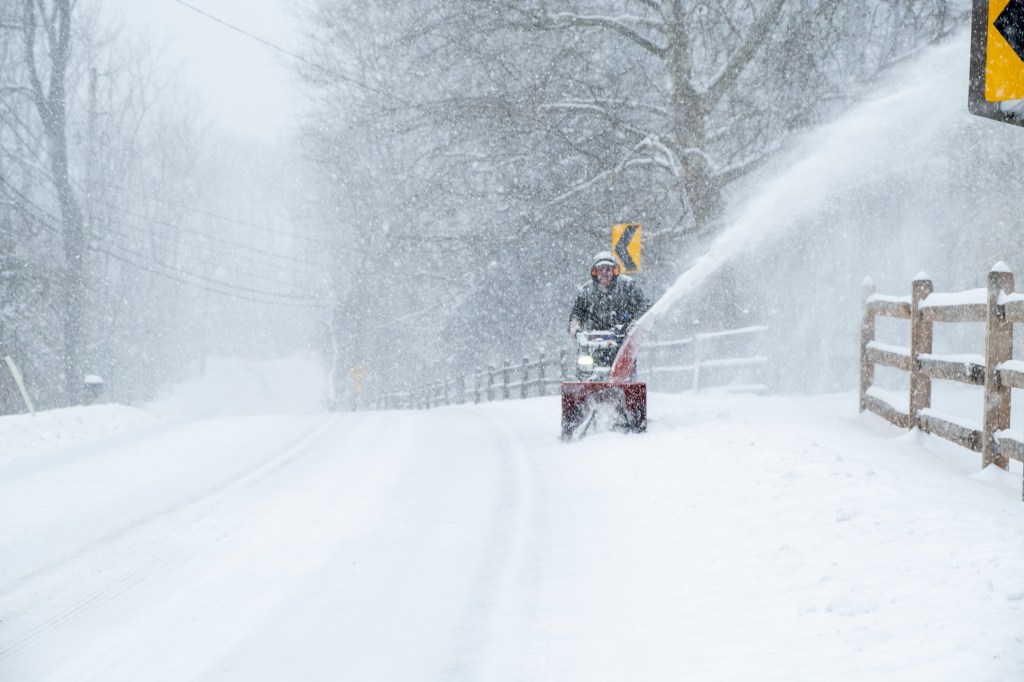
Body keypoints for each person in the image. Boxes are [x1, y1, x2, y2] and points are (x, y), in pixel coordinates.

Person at [568, 250, 650, 339]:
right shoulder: (587, 291)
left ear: (615, 271)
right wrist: (575, 325)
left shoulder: (628, 285)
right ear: (595, 272)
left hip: (624, 337)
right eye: (600, 269)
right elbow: (577, 311)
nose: (604, 273)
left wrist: (635, 322)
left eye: (608, 269)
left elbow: (644, 305)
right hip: (594, 338)